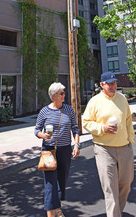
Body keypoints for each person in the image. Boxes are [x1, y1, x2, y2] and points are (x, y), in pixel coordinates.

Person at [83, 71, 134, 217]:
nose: (113, 86)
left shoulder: (122, 99)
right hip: (104, 149)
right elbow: (86, 122)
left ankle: (118, 212)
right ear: (102, 85)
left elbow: (128, 119)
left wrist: (130, 138)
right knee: (110, 188)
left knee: (126, 184)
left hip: (124, 147)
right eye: (110, 83)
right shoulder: (95, 101)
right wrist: (102, 128)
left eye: (115, 83)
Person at [35, 82, 80, 217]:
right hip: (49, 150)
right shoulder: (44, 111)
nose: (64, 95)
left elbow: (75, 129)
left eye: (64, 93)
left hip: (65, 150)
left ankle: (58, 207)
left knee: (62, 180)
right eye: (61, 93)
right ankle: (51, 213)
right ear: (53, 96)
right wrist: (42, 135)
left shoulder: (68, 109)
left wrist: (76, 145)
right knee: (50, 184)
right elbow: (36, 129)